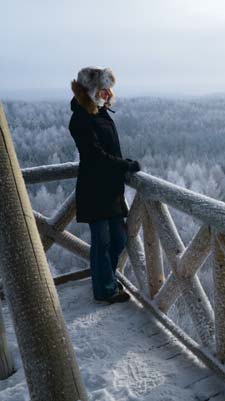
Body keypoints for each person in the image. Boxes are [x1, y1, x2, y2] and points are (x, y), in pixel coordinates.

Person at [68, 66, 140, 304]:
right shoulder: (80, 119)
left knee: (119, 239)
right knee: (102, 242)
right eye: (103, 89)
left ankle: (106, 279)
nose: (108, 94)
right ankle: (105, 290)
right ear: (90, 90)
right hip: (94, 189)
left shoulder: (100, 112)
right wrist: (124, 165)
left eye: (109, 90)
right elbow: (95, 156)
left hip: (110, 190)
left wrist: (121, 167)